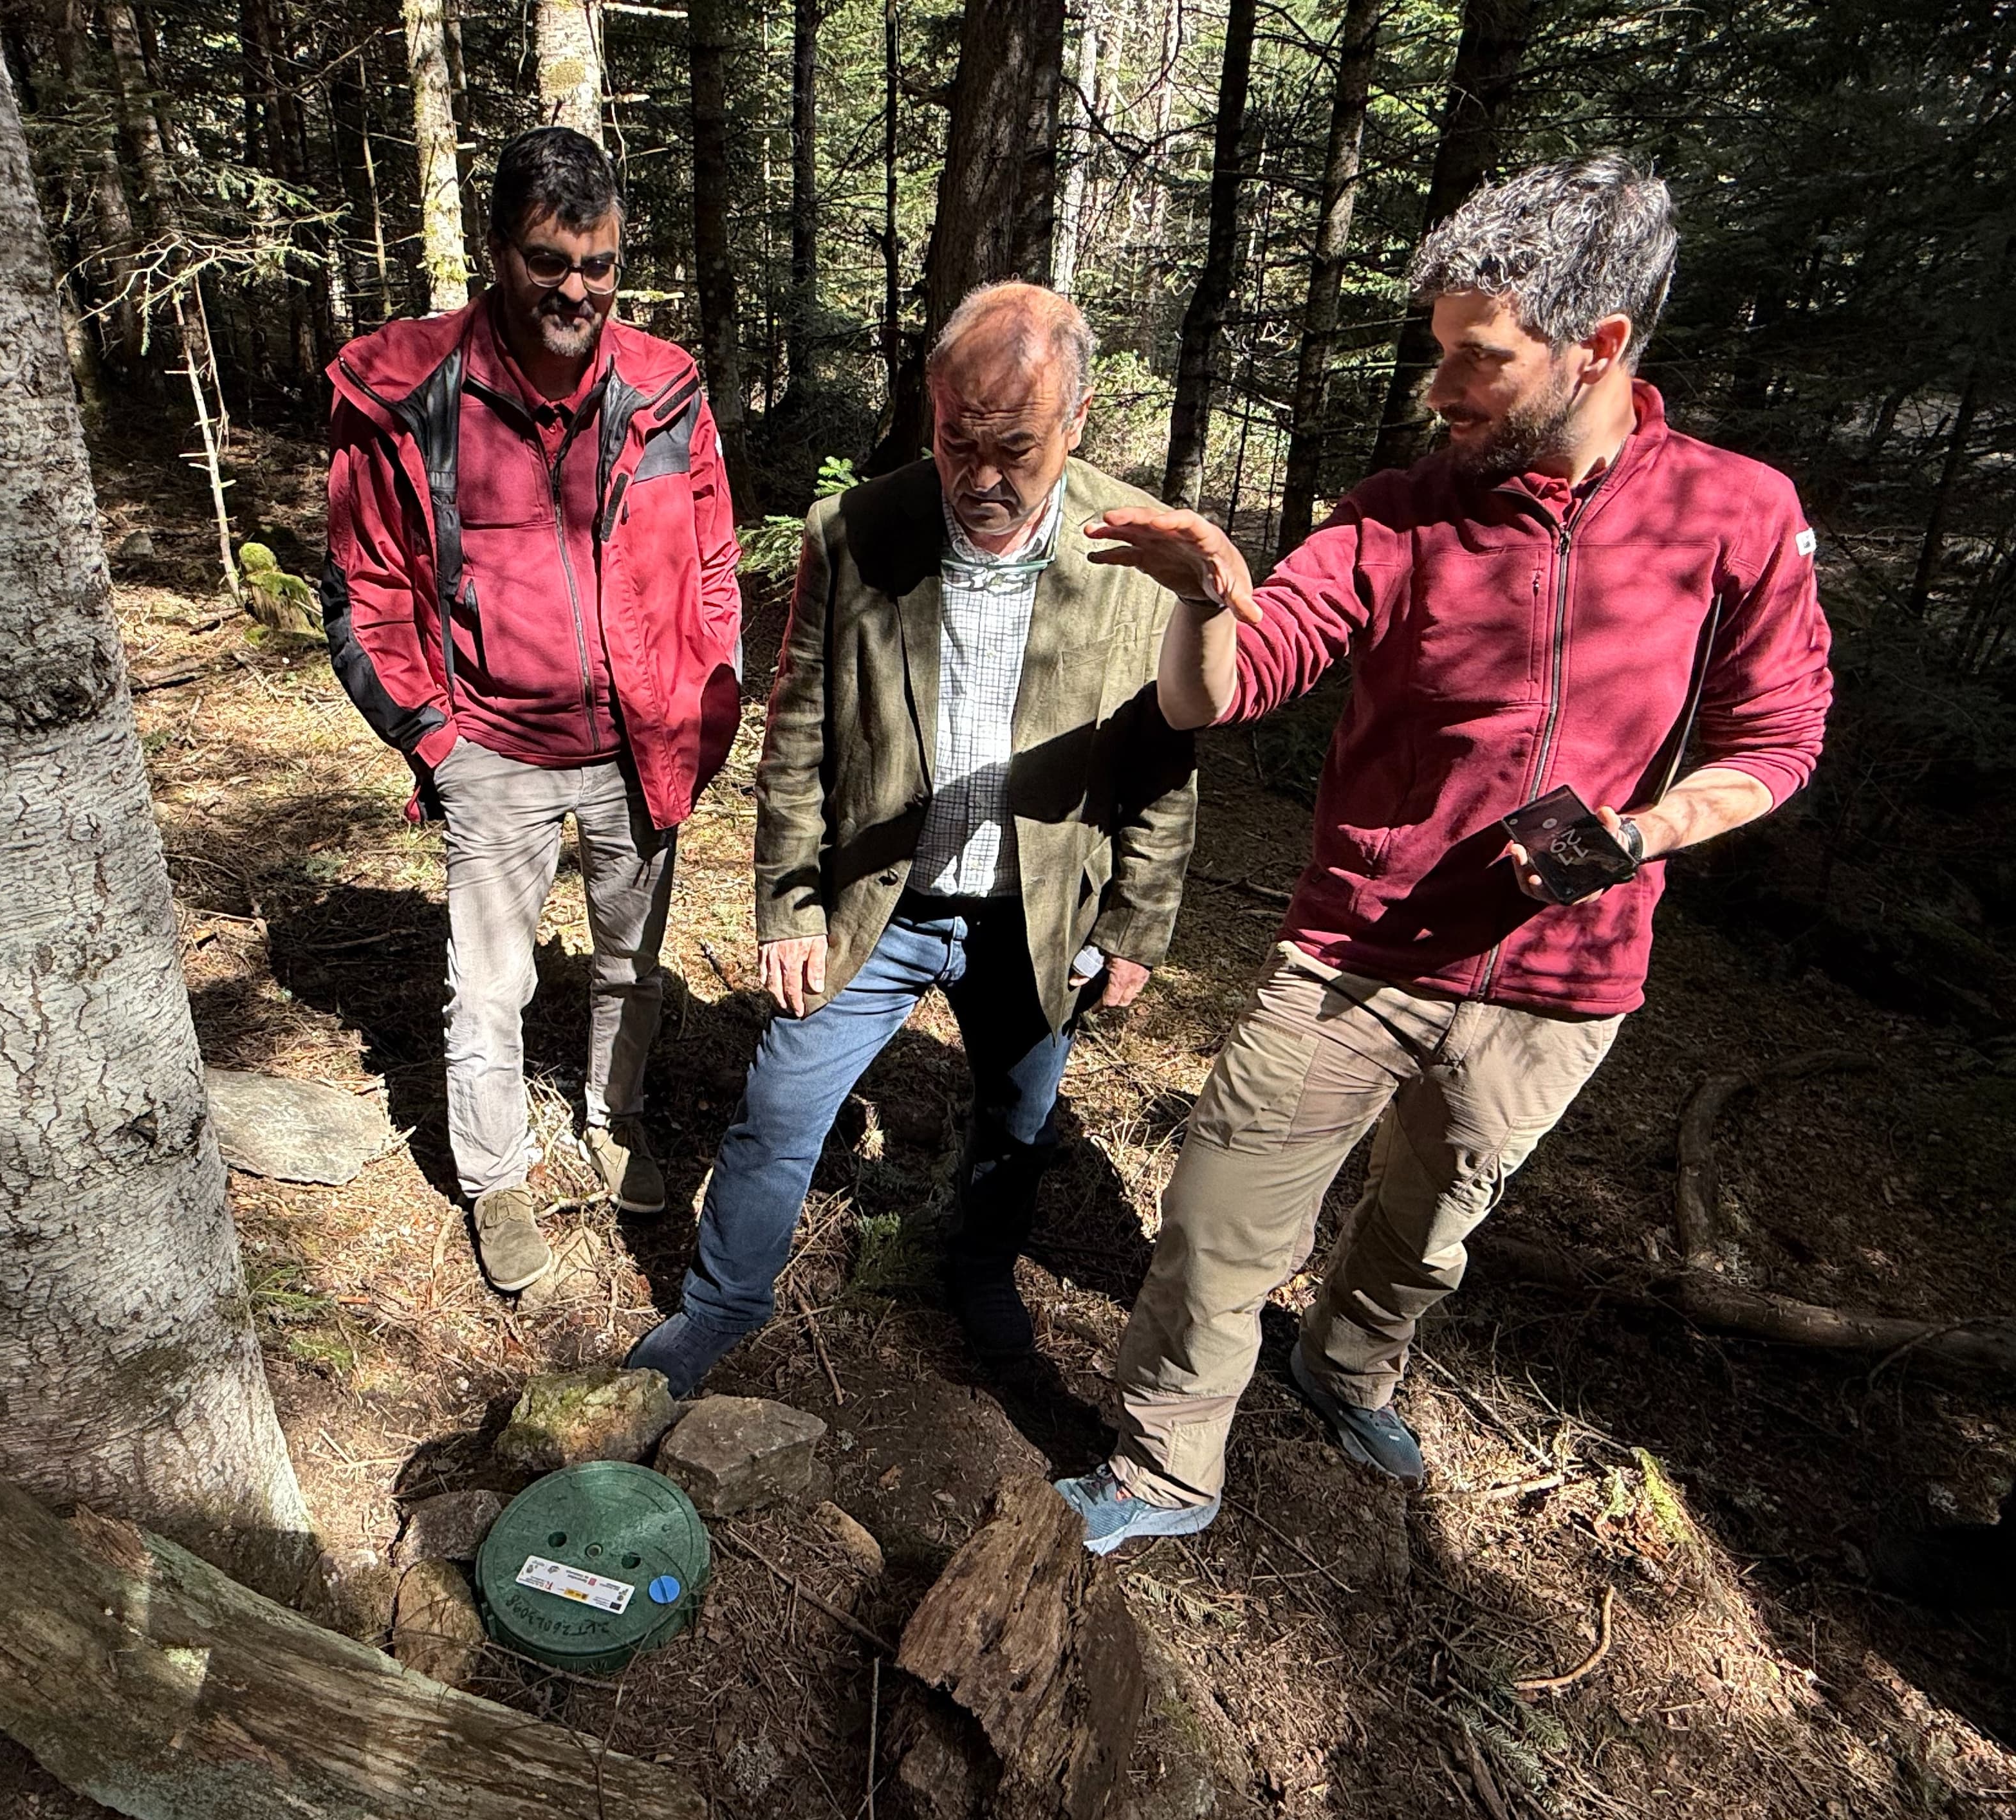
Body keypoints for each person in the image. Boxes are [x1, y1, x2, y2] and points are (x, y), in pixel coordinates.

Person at [1058, 155, 1835, 1552]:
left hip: (1564, 984)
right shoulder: (1402, 514)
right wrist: (1204, 595)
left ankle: (1344, 1367)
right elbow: (1223, 687)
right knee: (1222, 1215)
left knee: (1426, 1231)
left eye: (1481, 357)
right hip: (1357, 950)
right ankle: (1166, 1465)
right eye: (1440, 352)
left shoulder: (1735, 514)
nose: (1445, 387)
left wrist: (1640, 834)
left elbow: (1776, 740)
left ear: (1598, 348)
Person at [625, 283, 1205, 1398]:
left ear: (1075, 424)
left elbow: (1164, 753)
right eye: (957, 441)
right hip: (874, 903)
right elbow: (797, 730)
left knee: (1017, 1120)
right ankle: (720, 1305)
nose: (981, 478)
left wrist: (1138, 918)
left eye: (1017, 449)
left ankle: (977, 1272)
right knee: (782, 1105)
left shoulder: (1134, 550)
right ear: (931, 412)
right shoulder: (859, 531)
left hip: (1035, 907)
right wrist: (789, 900)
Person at [323, 127, 743, 1294]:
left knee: (629, 967)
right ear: (496, 254)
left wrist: (707, 719)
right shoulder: (412, 397)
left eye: (600, 264)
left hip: (640, 747)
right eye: (550, 260)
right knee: (490, 984)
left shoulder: (664, 392)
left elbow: (715, 568)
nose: (578, 289)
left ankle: (617, 1120)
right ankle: (497, 1177)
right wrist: (435, 740)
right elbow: (364, 588)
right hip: (492, 752)